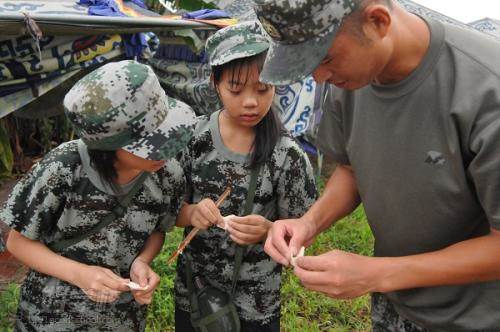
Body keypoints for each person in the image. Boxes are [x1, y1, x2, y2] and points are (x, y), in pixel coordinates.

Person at [254, 0, 500, 330]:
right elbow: (351, 168)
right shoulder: (351, 79)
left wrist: (376, 273)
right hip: (394, 303)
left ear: (378, 22)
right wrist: (309, 223)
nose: (319, 76)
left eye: (324, 57)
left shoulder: (486, 89)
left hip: (475, 317)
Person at [0, 60, 196, 331]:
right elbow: (17, 242)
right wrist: (80, 274)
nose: (165, 150)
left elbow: (157, 231)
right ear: (108, 145)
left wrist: (142, 261)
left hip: (123, 319)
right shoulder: (63, 168)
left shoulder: (167, 172)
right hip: (51, 317)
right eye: (152, 143)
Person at [173, 21, 318, 332]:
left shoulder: (287, 154)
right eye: (236, 90)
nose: (250, 101)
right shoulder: (192, 140)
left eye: (262, 88)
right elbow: (167, 210)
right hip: (195, 293)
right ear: (215, 83)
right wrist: (192, 212)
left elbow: (304, 232)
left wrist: (268, 231)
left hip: (257, 302)